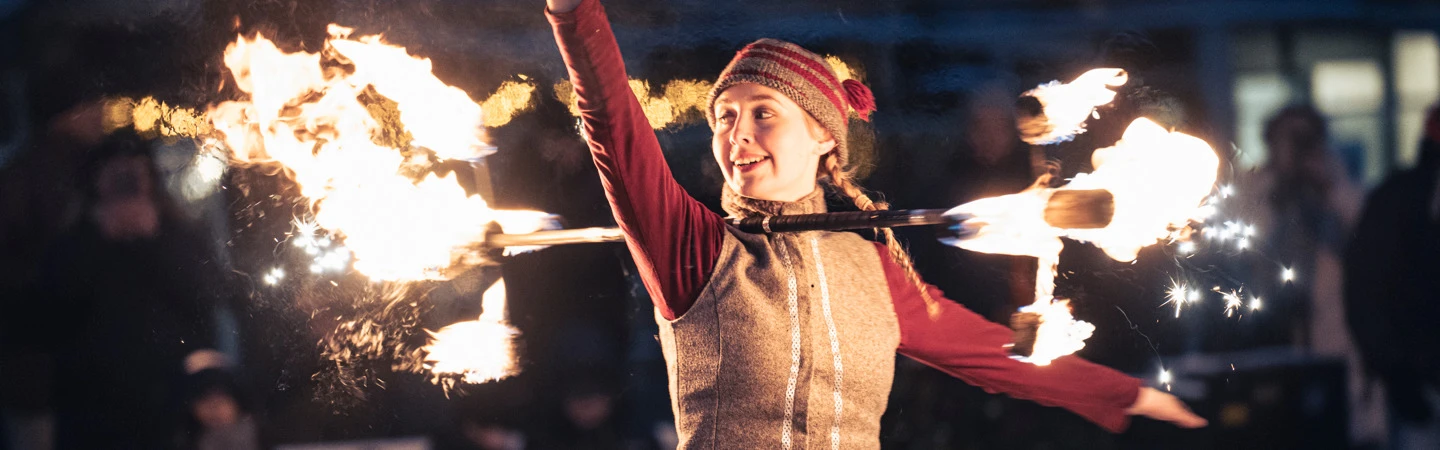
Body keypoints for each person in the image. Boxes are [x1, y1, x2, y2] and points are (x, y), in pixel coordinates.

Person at [542, 0, 1205, 447]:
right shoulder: (692, 248)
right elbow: (612, 122)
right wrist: (574, 13)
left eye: (763, 112)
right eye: (724, 116)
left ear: (823, 137)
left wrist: (1127, 396)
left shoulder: (871, 266)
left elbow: (995, 357)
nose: (736, 133)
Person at [1345, 106, 1440, 450]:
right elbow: (1367, 292)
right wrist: (1399, 374)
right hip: (1422, 382)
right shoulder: (1401, 198)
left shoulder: (1397, 196)